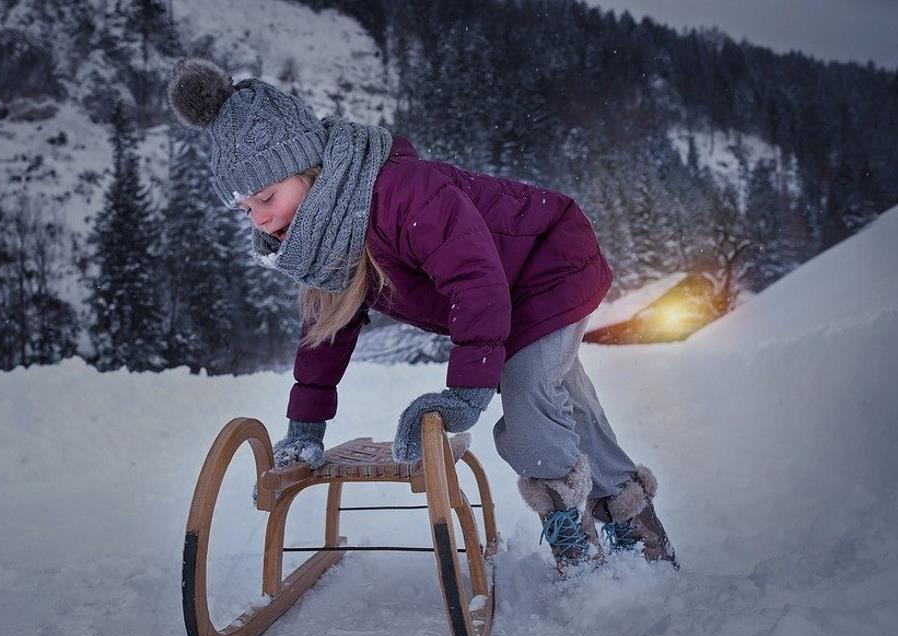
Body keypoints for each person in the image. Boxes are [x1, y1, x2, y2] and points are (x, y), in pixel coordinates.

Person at [167, 58, 676, 574]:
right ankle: (637, 528)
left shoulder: (399, 192)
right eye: (245, 209)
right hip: (505, 291)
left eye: (266, 197)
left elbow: (474, 278)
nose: (259, 218)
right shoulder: (326, 239)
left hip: (550, 265)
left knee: (529, 399)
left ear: (307, 168)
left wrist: (464, 395)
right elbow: (326, 330)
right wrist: (305, 426)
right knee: (563, 402)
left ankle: (583, 560)